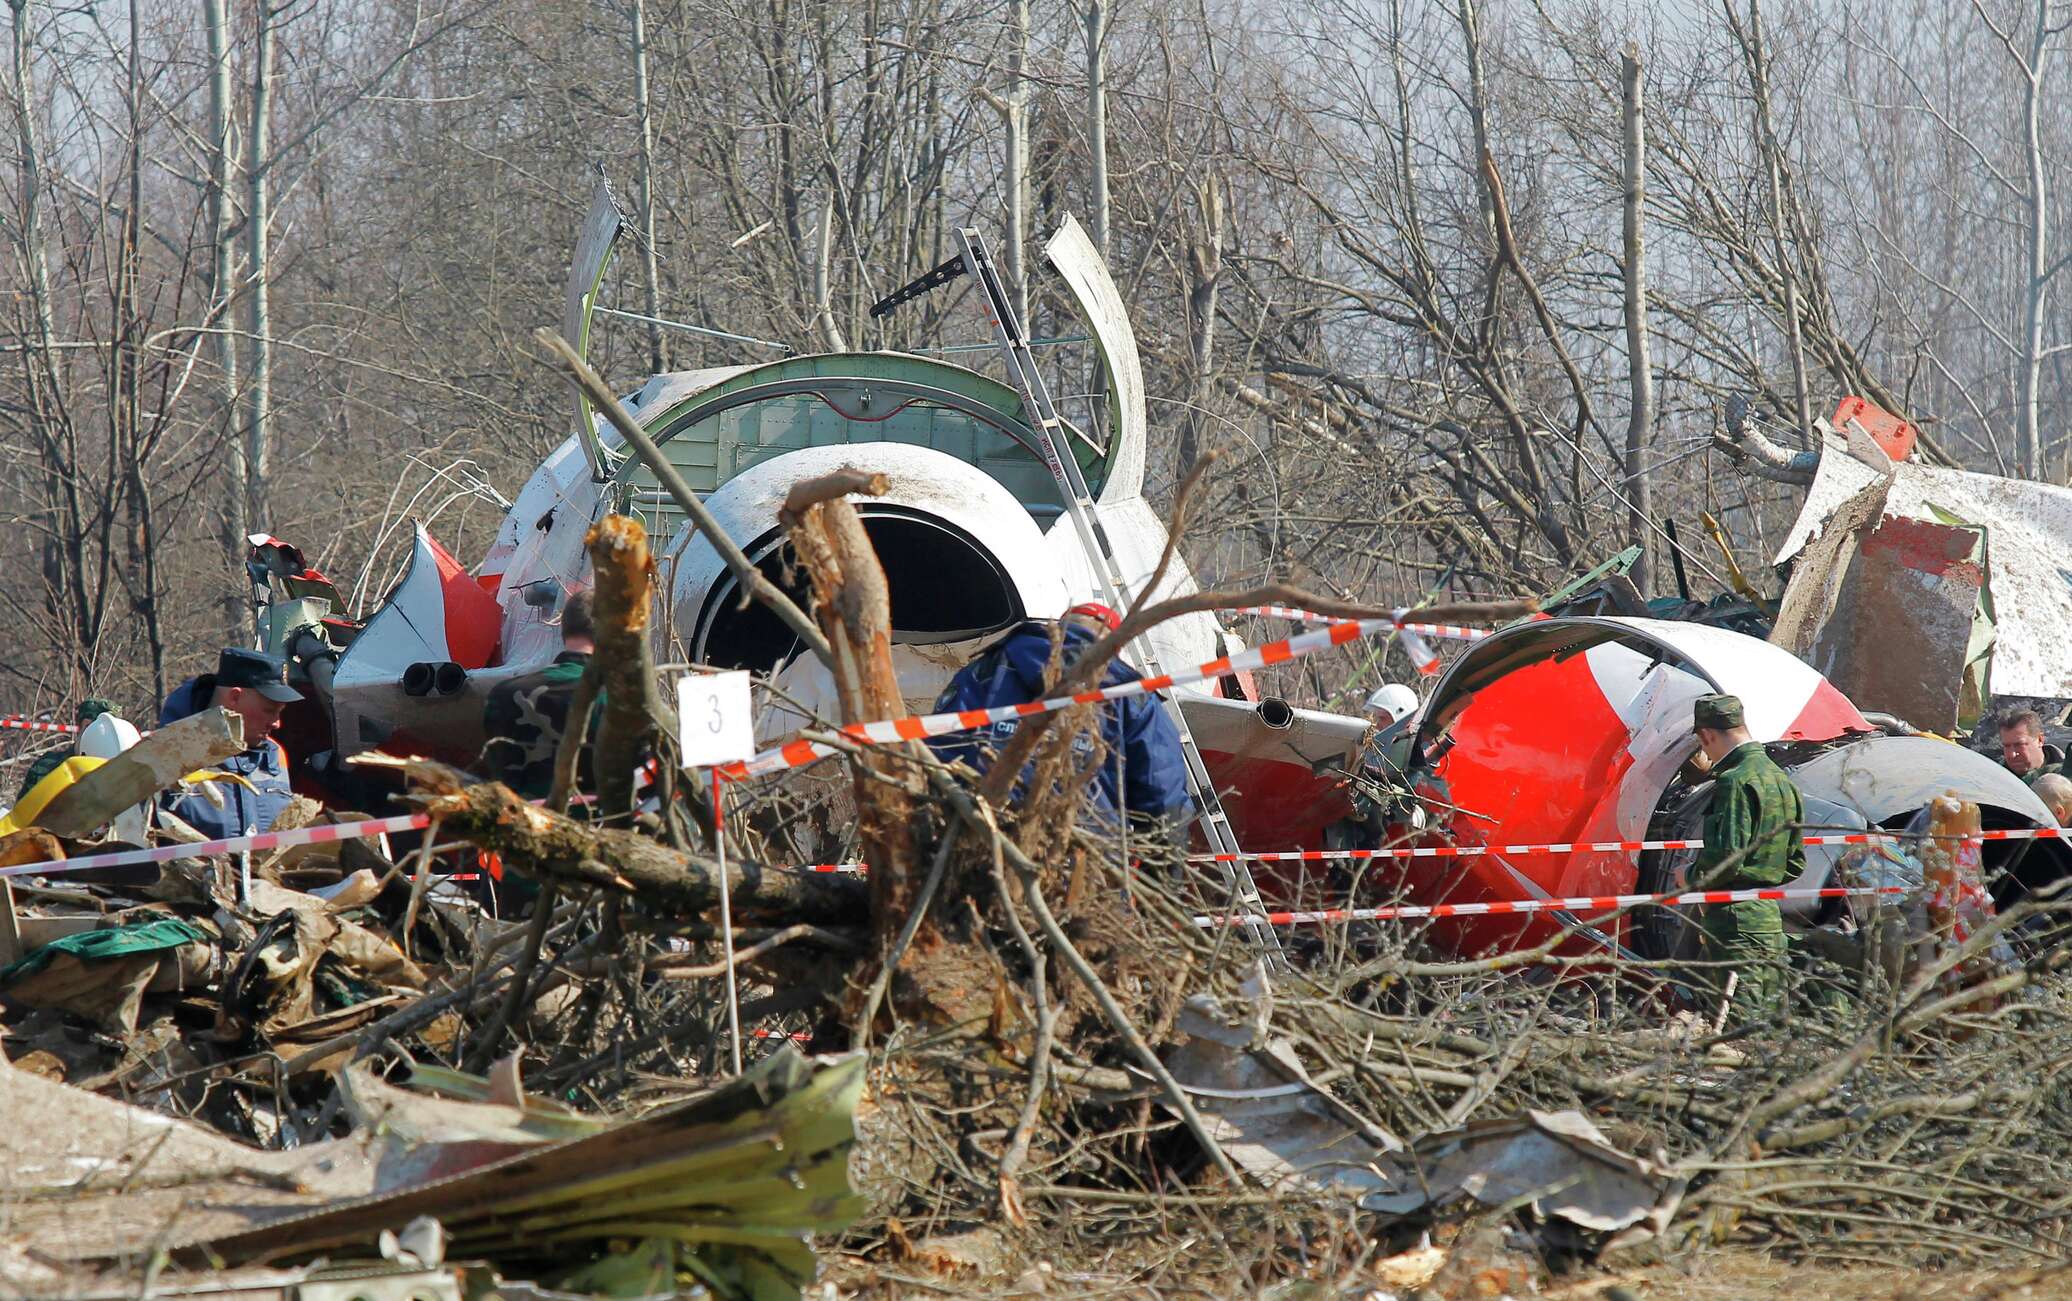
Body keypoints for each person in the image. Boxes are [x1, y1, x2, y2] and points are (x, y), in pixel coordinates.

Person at [929, 602, 1192, 831]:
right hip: (1081, 862)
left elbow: (943, 741)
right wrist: (1162, 876)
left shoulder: (991, 665)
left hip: (973, 833)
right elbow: (1163, 796)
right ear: (1114, 643)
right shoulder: (1132, 693)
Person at [1689, 692, 1805, 1024]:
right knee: (1767, 1028)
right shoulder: (1780, 778)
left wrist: (1691, 877)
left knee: (1733, 1029)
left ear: (1706, 736)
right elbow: (1795, 861)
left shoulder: (1734, 781)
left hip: (1733, 923)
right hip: (1768, 917)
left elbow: (1727, 857)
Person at [159, 649, 302, 841]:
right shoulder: (160, 754)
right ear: (234, 698)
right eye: (269, 710)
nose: (277, 723)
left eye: (280, 712)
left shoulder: (276, 757)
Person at [481, 590, 595, 799]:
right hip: (597, 828)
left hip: (519, 826)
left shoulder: (502, 696)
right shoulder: (622, 701)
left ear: (563, 628)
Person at [16, 698, 115, 800]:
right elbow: (23, 812)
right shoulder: (47, 767)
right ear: (83, 726)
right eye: (90, 727)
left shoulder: (118, 771)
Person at [1996, 708, 2067, 788]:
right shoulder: (1994, 779)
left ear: (2040, 740)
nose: (2012, 754)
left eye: (2019, 745)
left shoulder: (2067, 774)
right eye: (2007, 746)